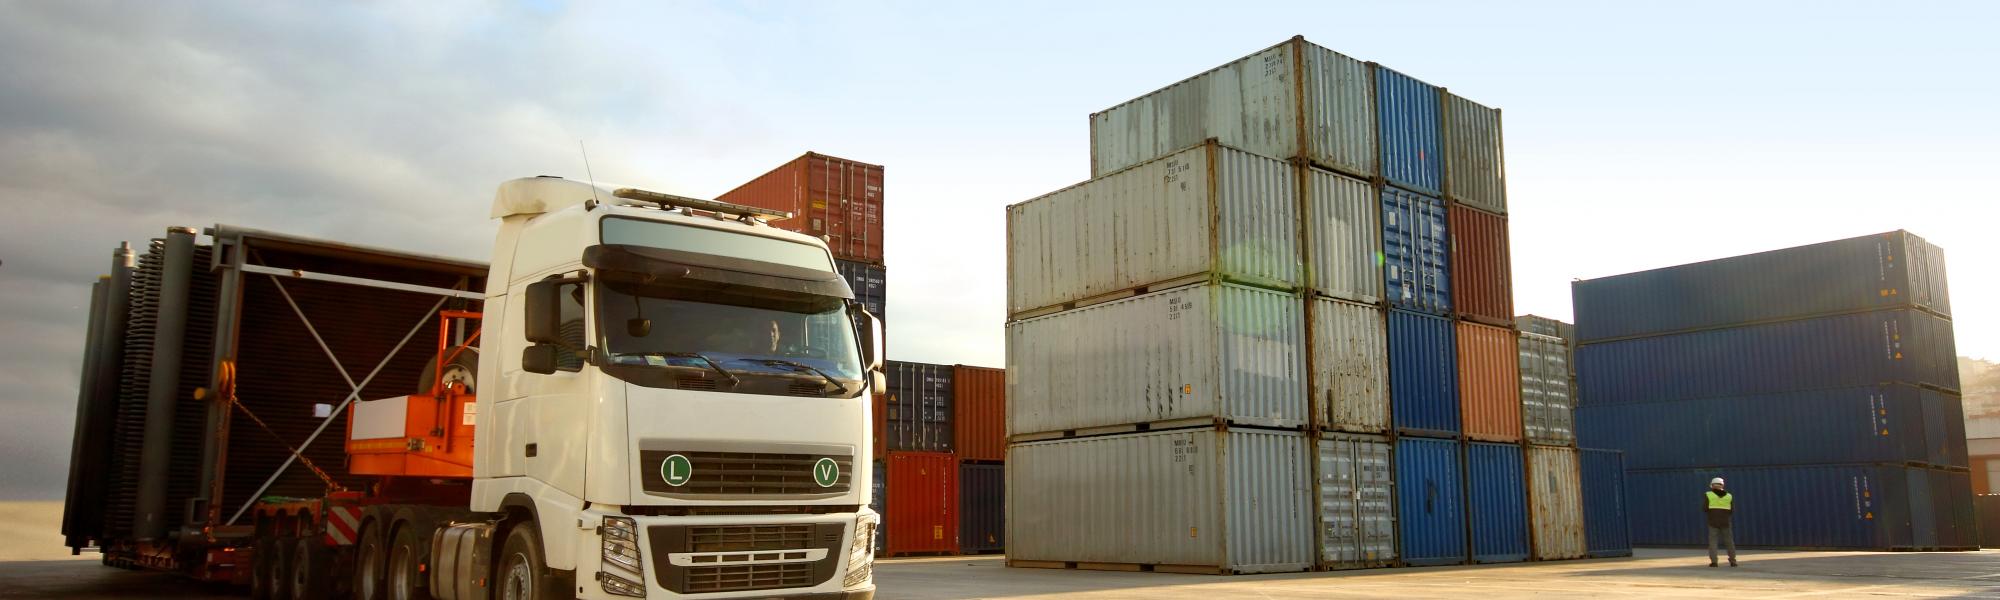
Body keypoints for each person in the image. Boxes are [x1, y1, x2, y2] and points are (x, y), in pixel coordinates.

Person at [1705, 477, 1737, 567]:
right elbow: (1732, 510)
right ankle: (1733, 561)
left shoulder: (1708, 494)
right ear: (1722, 485)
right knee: (1729, 542)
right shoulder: (1729, 496)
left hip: (1712, 521)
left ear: (1712, 485)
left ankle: (1714, 562)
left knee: (1713, 542)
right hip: (1725, 521)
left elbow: (1704, 508)